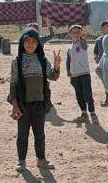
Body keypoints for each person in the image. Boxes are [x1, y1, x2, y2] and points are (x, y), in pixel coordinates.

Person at [9, 28, 61, 172]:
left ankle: (41, 160)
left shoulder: (43, 60)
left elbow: (53, 76)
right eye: (27, 41)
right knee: (22, 134)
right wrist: (14, 106)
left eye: (34, 41)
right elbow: (13, 84)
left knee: (40, 133)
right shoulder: (17, 61)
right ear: (22, 43)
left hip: (39, 103)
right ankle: (21, 161)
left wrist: (56, 65)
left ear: (38, 43)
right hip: (23, 104)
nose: (30, 44)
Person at [66, 25, 98, 124]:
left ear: (80, 34)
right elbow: (68, 61)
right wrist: (69, 73)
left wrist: (83, 38)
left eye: (78, 32)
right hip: (74, 75)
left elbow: (84, 44)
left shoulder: (82, 44)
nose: (75, 34)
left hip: (84, 74)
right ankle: (84, 113)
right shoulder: (69, 48)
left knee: (87, 94)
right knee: (79, 95)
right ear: (70, 34)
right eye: (73, 32)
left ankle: (93, 113)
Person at [93, 20, 108, 107]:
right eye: (106, 26)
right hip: (102, 65)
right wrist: (96, 58)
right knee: (106, 83)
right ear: (102, 29)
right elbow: (95, 51)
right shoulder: (98, 40)